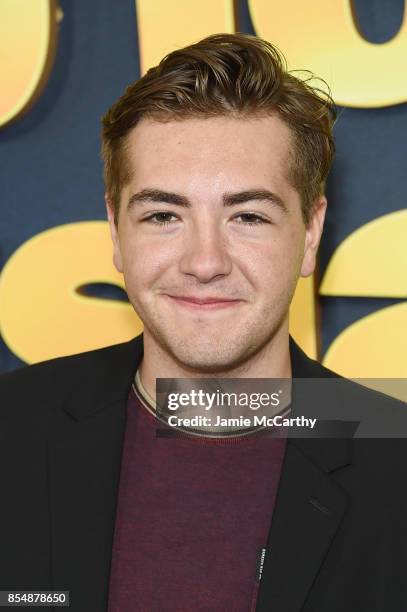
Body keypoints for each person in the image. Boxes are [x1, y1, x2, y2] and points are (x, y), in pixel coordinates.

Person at [0, 33, 406, 612]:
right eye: (164, 214)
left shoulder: (396, 459)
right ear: (116, 232)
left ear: (310, 233)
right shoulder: (11, 430)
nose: (205, 262)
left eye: (247, 215)